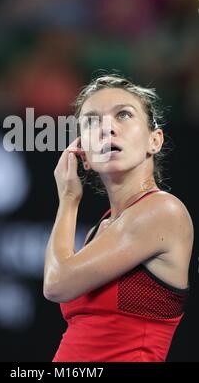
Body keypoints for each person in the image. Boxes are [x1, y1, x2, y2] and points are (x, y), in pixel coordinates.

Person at [43, 73, 194, 362]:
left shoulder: (162, 211)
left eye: (123, 114)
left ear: (155, 140)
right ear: (83, 155)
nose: (107, 128)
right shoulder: (102, 229)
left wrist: (69, 199)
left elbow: (56, 283)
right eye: (91, 121)